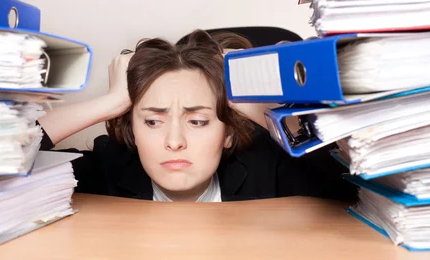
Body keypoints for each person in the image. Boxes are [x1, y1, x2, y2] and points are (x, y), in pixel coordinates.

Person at [42, 29, 356, 202]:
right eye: (152, 121)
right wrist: (110, 103)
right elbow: (2, 163)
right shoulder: (110, 166)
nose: (174, 142)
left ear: (228, 132)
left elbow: (359, 181)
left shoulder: (267, 167)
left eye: (198, 121)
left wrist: (246, 101)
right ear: (133, 131)